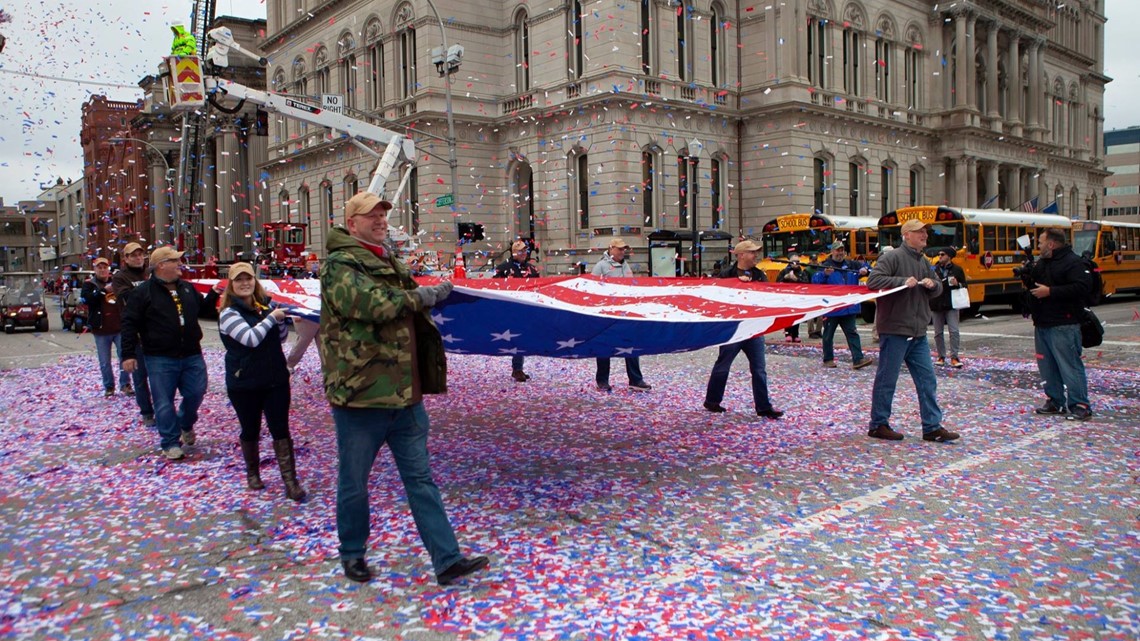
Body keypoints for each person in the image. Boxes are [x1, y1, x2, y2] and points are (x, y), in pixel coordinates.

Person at [321, 191, 489, 585]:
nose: (380, 219)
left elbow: (404, 304)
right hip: (362, 396)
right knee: (354, 482)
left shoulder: (387, 259)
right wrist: (421, 296)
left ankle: (446, 559)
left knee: (421, 481)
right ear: (352, 223)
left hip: (404, 394)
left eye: (383, 213)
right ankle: (352, 553)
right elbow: (370, 304)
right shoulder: (339, 265)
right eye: (371, 215)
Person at [121, 246, 222, 460]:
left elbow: (203, 311)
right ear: (161, 265)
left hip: (191, 354)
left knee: (197, 392)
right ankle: (170, 442)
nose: (180, 265)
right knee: (163, 401)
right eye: (175, 261)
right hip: (159, 357)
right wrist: (128, 354)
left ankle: (185, 422)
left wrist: (213, 295)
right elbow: (129, 323)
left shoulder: (187, 288)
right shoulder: (143, 292)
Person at [218, 262, 306, 501]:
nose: (245, 283)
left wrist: (278, 321)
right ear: (231, 285)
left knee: (281, 429)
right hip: (244, 383)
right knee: (250, 428)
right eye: (239, 280)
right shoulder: (228, 314)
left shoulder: (264, 307)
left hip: (275, 379)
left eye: (249, 279)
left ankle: (290, 481)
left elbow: (281, 338)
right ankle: (253, 472)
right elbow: (250, 339)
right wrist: (271, 318)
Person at [865, 220, 958, 443]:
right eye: (920, 232)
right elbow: (873, 281)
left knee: (927, 380)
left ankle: (932, 427)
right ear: (906, 235)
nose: (925, 235)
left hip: (917, 332)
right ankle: (878, 424)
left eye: (925, 232)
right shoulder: (891, 257)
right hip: (895, 329)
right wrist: (901, 281)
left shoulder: (923, 261)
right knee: (887, 379)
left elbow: (938, 287)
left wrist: (933, 285)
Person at [703, 239, 785, 420]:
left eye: (755, 252)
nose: (755, 255)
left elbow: (766, 297)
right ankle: (712, 401)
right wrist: (736, 285)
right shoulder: (726, 275)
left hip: (754, 328)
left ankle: (763, 407)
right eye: (752, 252)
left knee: (759, 369)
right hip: (733, 328)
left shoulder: (759, 275)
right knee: (723, 366)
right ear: (740, 255)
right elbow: (717, 298)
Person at [1026, 228, 1094, 421]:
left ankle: (1080, 404)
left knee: (1069, 365)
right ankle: (1055, 400)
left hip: (1064, 322)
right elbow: (1034, 285)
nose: (1038, 246)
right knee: (1047, 366)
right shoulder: (1043, 263)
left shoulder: (1072, 262)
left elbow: (1082, 287)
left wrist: (1051, 292)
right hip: (1042, 321)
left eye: (1040, 242)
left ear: (1051, 244)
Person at [591, 238, 652, 392]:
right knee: (604, 346)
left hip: (625, 312)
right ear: (611, 249)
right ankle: (602, 380)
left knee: (630, 345)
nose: (622, 251)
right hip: (607, 312)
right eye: (619, 249)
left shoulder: (626, 265)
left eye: (624, 249)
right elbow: (592, 289)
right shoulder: (601, 266)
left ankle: (636, 379)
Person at [811, 241, 874, 370]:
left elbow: (869, 267)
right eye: (837, 250)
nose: (840, 253)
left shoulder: (852, 264)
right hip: (832, 308)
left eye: (842, 250)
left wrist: (865, 269)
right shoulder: (825, 266)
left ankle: (858, 359)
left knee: (852, 333)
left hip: (849, 307)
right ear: (832, 252)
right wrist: (824, 275)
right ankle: (828, 359)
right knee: (828, 335)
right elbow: (815, 281)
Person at [112, 242, 156, 427]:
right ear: (126, 259)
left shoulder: (151, 273)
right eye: (133, 255)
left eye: (141, 254)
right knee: (140, 378)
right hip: (135, 333)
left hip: (155, 332)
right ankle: (146, 412)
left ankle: (163, 408)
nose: (138, 258)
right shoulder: (120, 277)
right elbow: (129, 298)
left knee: (159, 375)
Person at [80, 257, 131, 397]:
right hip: (101, 330)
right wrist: (103, 291)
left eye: (105, 267)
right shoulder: (89, 284)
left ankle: (125, 384)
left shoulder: (117, 281)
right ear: (95, 269)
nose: (103, 270)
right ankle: (109, 386)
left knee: (124, 357)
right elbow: (87, 300)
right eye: (99, 267)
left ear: (109, 269)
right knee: (104, 362)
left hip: (119, 327)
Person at [494, 239, 541, 382]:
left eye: (525, 251)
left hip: (527, 308)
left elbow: (539, 286)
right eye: (520, 251)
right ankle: (517, 369)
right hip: (510, 309)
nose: (523, 253)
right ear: (513, 252)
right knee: (516, 338)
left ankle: (518, 367)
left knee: (522, 338)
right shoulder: (503, 268)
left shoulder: (532, 269)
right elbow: (493, 286)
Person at [929, 248, 968, 368]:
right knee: (938, 332)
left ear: (949, 256)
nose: (939, 256)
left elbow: (965, 285)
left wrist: (958, 284)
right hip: (936, 303)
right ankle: (941, 356)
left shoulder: (957, 269)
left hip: (952, 303)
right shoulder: (933, 269)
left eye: (942, 254)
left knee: (954, 331)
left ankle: (954, 357)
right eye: (939, 254)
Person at [777, 254, 807, 343]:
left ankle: (795, 334)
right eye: (794, 261)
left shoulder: (802, 272)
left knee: (797, 317)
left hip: (798, 298)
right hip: (787, 298)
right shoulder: (783, 271)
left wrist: (796, 279)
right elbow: (777, 283)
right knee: (787, 317)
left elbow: (806, 284)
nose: (796, 263)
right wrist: (785, 278)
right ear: (790, 262)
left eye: (798, 262)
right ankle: (787, 334)